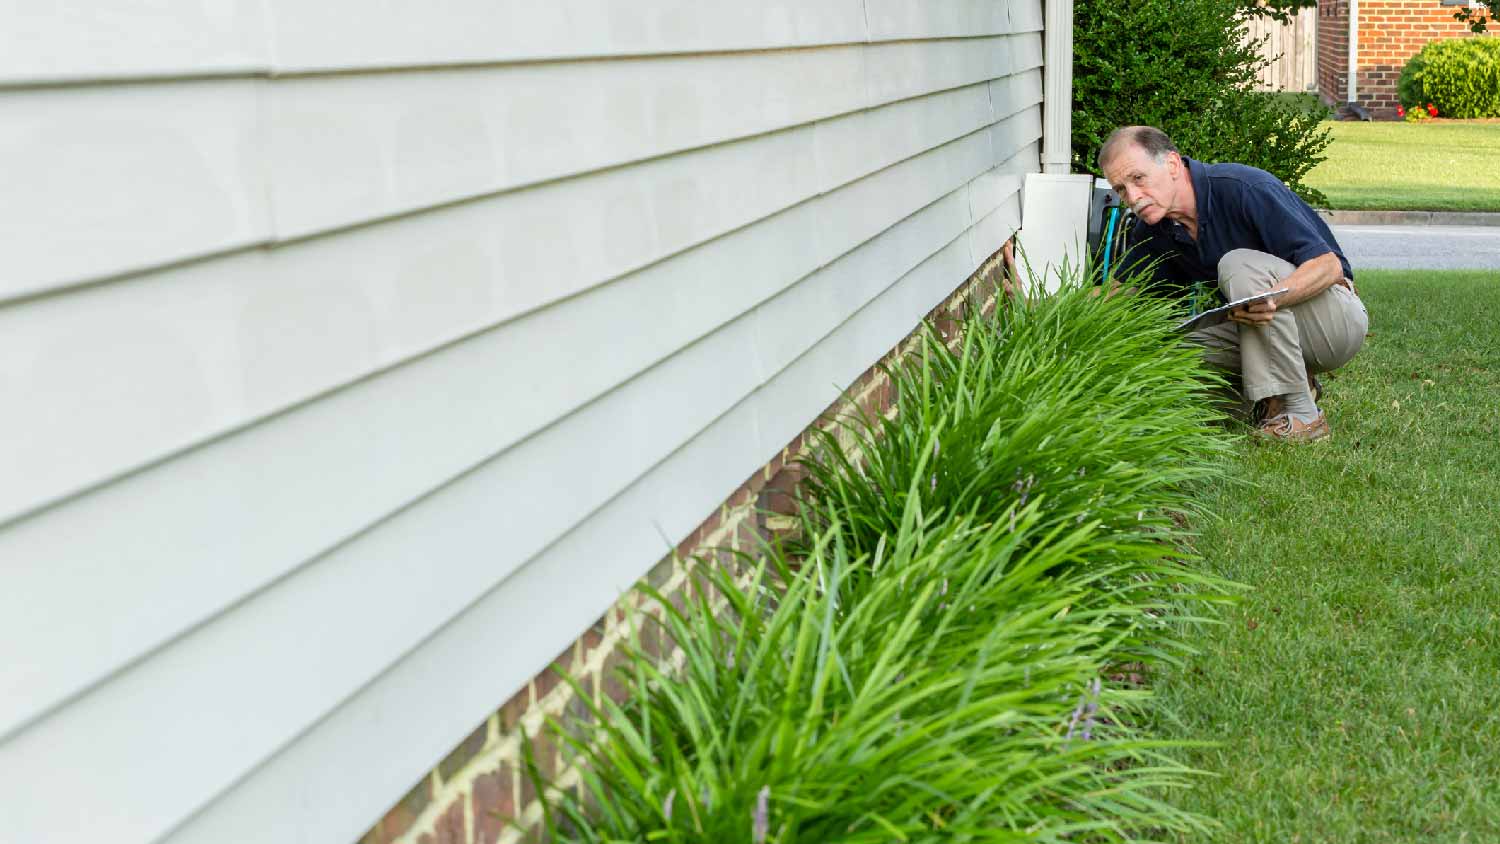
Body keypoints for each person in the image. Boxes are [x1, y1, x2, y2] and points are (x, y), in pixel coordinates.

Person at [1098, 125, 1368, 442]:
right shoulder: (1153, 230)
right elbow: (1118, 294)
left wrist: (1273, 298)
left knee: (1238, 264)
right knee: (1167, 350)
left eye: (1137, 178)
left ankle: (1301, 414)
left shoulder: (1243, 188)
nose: (1132, 197)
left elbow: (1331, 266)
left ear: (1171, 164)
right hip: (1260, 330)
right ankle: (1251, 406)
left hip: (1334, 323)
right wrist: (1042, 307)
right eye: (1120, 189)